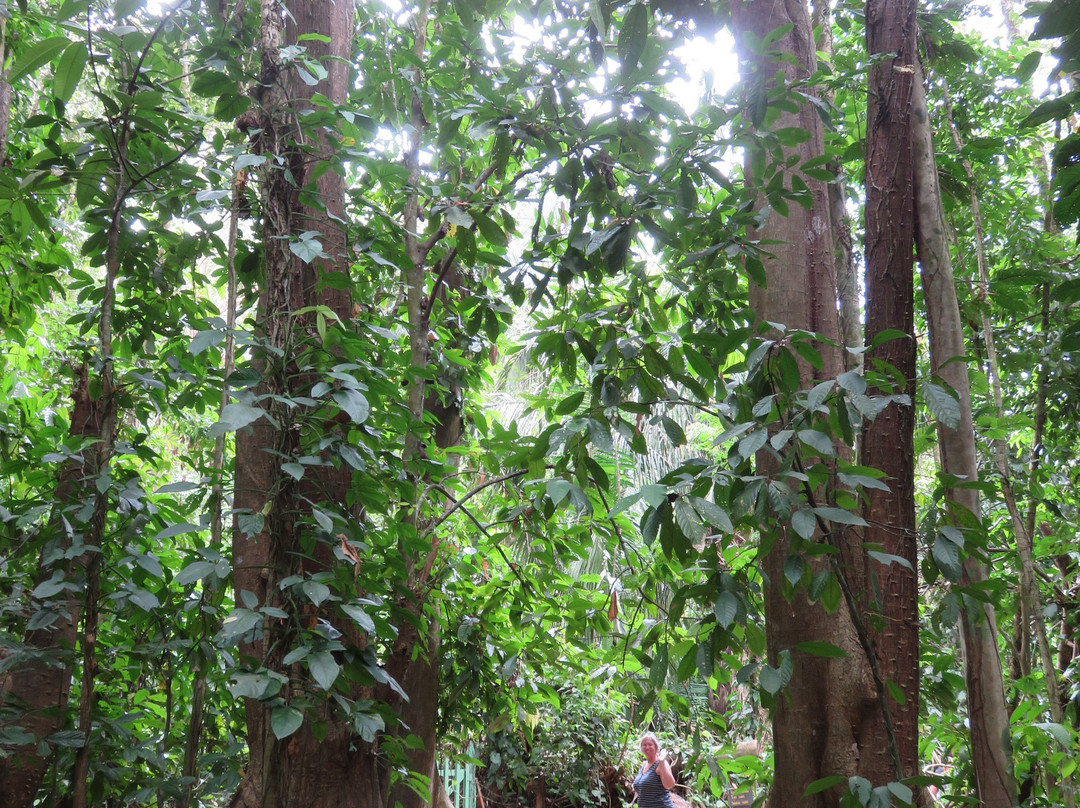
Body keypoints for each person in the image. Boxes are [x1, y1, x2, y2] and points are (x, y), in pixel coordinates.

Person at [632, 732, 675, 808]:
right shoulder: (644, 765)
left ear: (656, 747)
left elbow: (670, 785)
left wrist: (661, 761)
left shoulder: (661, 764)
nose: (647, 747)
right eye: (644, 745)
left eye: (650, 744)